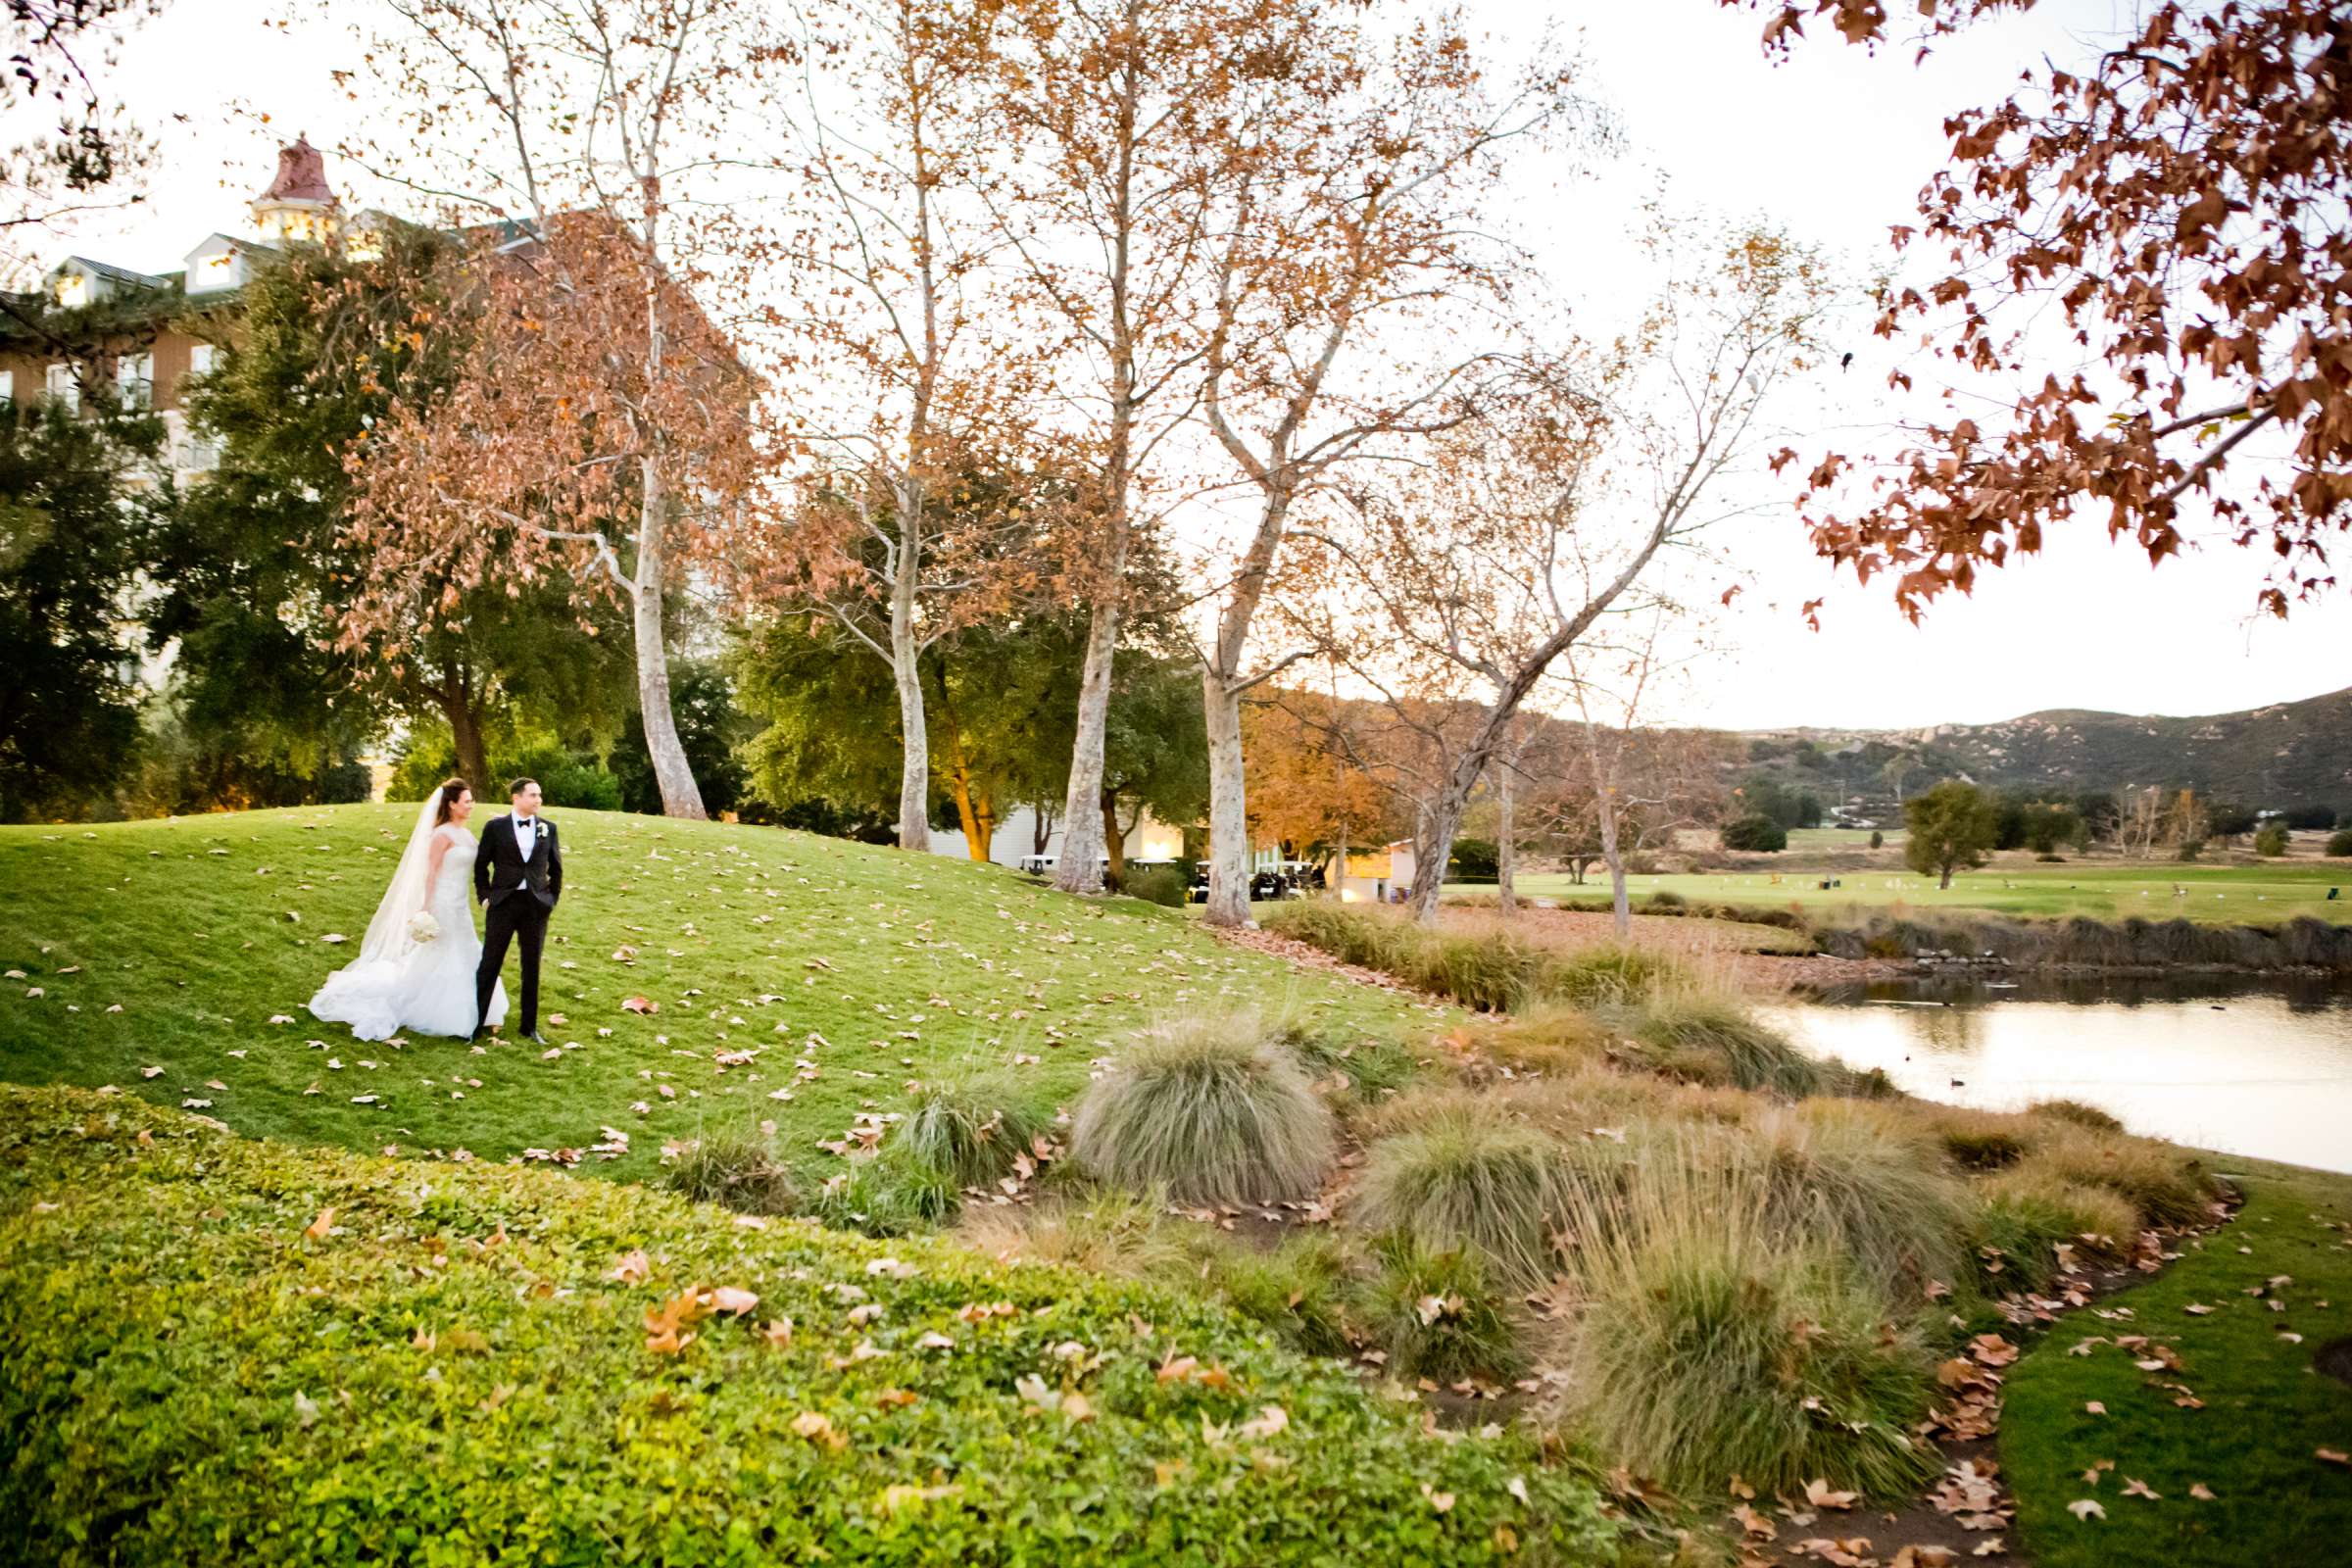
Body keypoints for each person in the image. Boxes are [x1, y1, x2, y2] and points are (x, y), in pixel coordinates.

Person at [307, 779, 508, 1040]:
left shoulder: (467, 834)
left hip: (460, 905)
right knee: (445, 952)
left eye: (471, 801)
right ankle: (445, 1012)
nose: (471, 806)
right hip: (443, 903)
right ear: (451, 804)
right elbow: (431, 873)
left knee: (467, 950)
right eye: (466, 801)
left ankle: (480, 1007)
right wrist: (426, 909)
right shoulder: (441, 834)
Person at [474, 777, 562, 1045]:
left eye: (540, 795)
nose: (538, 800)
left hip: (536, 906)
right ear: (516, 797)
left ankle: (529, 1027)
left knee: (532, 966)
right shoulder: (495, 828)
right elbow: (481, 866)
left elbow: (556, 868)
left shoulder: (549, 828)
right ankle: (475, 1024)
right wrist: (485, 897)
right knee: (490, 964)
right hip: (503, 904)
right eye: (533, 795)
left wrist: (550, 900)